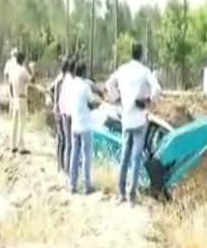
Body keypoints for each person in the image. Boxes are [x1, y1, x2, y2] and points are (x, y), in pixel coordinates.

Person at [105, 42, 161, 204]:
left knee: (124, 156)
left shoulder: (122, 69)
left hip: (126, 119)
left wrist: (118, 99)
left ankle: (121, 193)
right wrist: (149, 100)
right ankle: (132, 196)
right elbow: (157, 89)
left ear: (131, 53)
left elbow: (109, 84)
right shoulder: (144, 72)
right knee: (136, 158)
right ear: (141, 54)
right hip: (140, 120)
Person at [66, 61, 99, 194]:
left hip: (74, 125)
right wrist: (96, 105)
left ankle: (72, 184)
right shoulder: (85, 86)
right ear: (84, 72)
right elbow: (91, 102)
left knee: (74, 154)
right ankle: (87, 185)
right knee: (86, 156)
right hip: (85, 125)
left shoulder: (72, 85)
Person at [9, 51, 32, 155]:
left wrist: (12, 96)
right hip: (22, 98)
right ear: (23, 60)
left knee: (14, 123)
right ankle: (21, 146)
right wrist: (31, 69)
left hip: (15, 97)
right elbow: (32, 80)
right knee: (22, 124)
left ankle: (13, 145)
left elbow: (10, 84)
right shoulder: (23, 70)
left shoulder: (13, 70)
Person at [49, 57, 69, 172]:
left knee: (61, 139)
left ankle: (60, 165)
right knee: (63, 139)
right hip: (61, 112)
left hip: (58, 110)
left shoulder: (58, 78)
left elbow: (50, 89)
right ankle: (61, 166)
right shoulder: (63, 80)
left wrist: (54, 101)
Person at [58, 58, 76, 173]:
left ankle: (64, 168)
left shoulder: (65, 80)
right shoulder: (71, 81)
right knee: (70, 144)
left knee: (66, 143)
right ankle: (68, 170)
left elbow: (61, 100)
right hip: (69, 115)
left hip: (64, 113)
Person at [4, 47, 18, 117]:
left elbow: (6, 74)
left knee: (11, 98)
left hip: (11, 82)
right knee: (17, 98)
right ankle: (15, 115)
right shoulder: (19, 63)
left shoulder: (8, 63)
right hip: (18, 83)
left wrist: (8, 81)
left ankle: (10, 114)